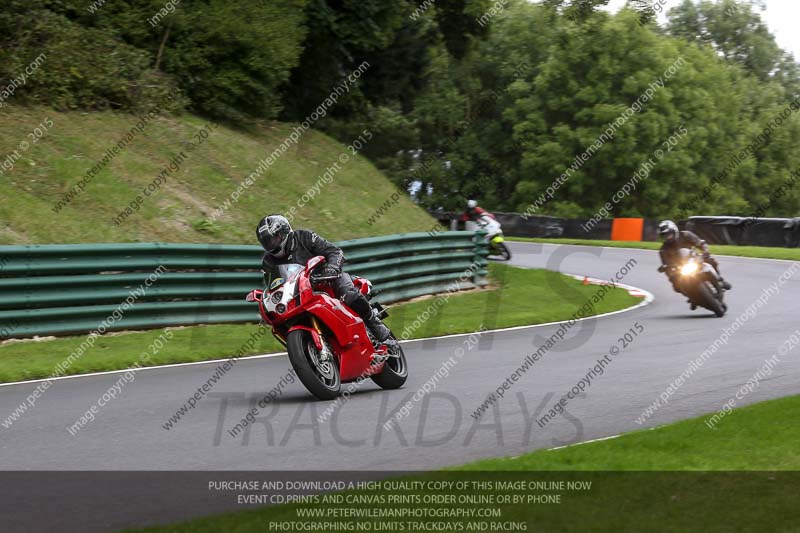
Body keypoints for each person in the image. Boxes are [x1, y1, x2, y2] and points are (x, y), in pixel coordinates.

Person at [256, 214, 397, 350]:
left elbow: (335, 252)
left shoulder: (305, 237)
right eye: (267, 242)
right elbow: (273, 285)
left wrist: (332, 268)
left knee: (349, 295)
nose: (271, 244)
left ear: (284, 232)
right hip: (299, 292)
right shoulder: (268, 261)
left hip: (327, 279)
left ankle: (375, 325)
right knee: (283, 321)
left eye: (273, 239)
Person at [657, 220, 732, 291]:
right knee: (676, 285)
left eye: (669, 234)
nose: (668, 237)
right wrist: (666, 269)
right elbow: (666, 265)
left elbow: (700, 243)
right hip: (679, 269)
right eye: (665, 235)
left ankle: (720, 280)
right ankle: (691, 296)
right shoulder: (663, 250)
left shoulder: (686, 235)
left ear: (674, 231)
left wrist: (705, 251)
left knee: (710, 260)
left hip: (693, 259)